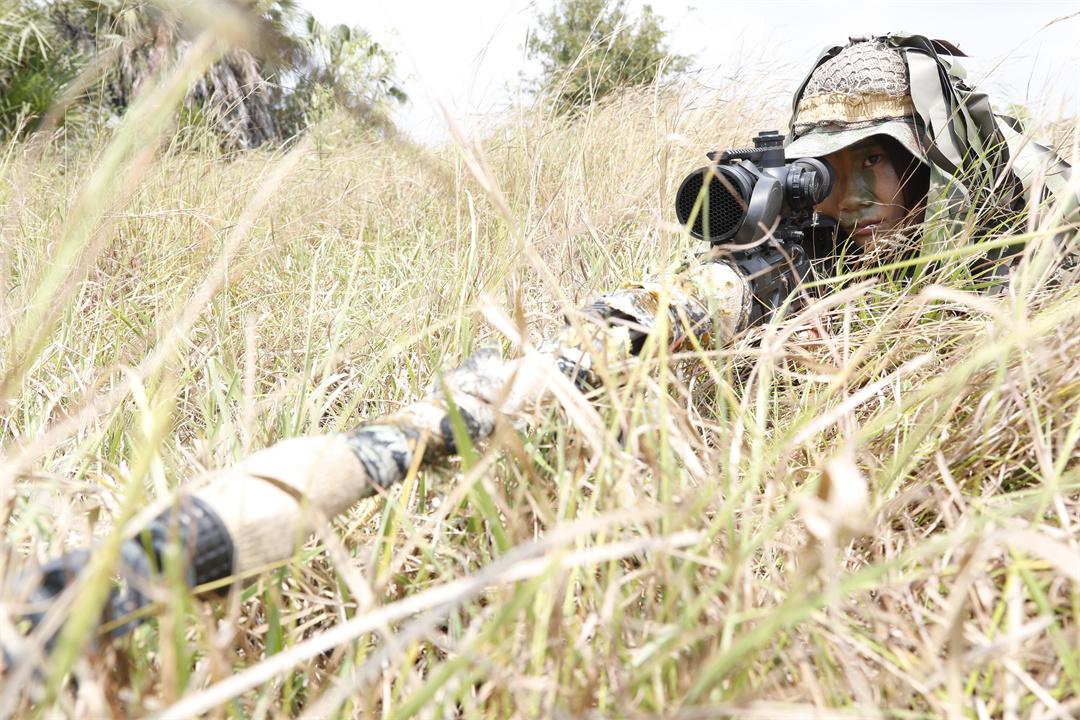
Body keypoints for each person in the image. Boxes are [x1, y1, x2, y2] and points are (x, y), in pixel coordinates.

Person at [783, 34, 1078, 281]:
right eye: (828, 170)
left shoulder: (1024, 209)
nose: (850, 199)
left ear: (925, 159)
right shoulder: (815, 251)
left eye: (871, 160)